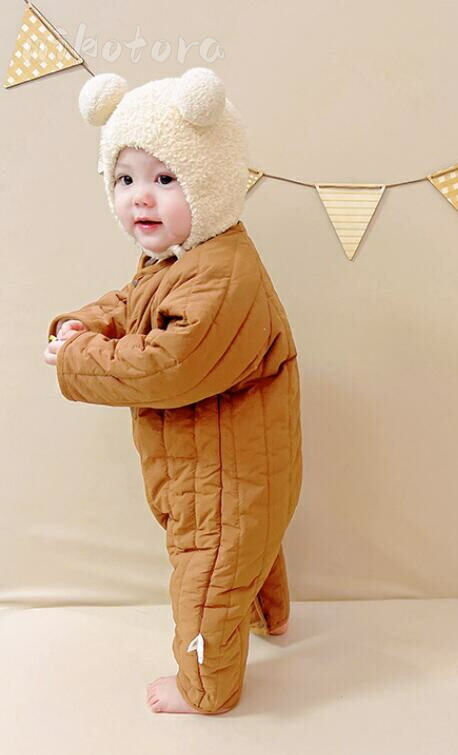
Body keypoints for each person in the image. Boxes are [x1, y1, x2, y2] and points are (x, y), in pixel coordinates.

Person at [42, 67, 303, 715]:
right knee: (247, 550)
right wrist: (83, 324)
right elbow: (130, 303)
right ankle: (270, 616)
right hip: (226, 468)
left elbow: (169, 365)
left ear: (212, 180)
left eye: (165, 179)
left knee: (208, 576)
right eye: (125, 179)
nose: (141, 198)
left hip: (224, 477)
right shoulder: (184, 258)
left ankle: (206, 688)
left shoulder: (224, 276)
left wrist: (77, 359)